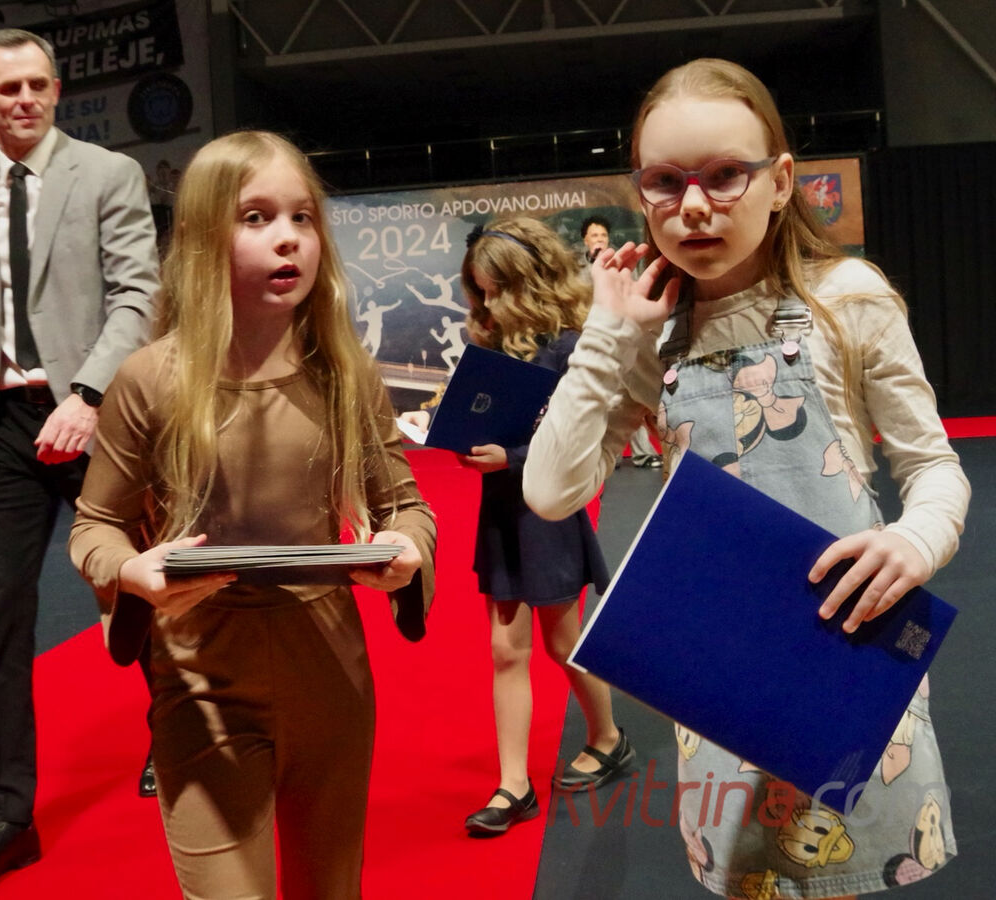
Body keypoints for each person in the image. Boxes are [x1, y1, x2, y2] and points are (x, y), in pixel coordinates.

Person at [524, 58, 967, 899]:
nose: (693, 205)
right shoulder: (649, 334)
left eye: (726, 175)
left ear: (781, 181)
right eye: (665, 181)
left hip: (847, 650)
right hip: (722, 673)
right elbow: (550, 490)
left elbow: (933, 465)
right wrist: (607, 333)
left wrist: (916, 539)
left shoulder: (848, 298)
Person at [68, 130, 437, 899]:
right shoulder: (149, 380)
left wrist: (407, 550)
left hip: (332, 678)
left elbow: (405, 505)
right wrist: (131, 572)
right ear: (205, 237)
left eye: (303, 217)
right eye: (256, 217)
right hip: (201, 683)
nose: (288, 238)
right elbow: (94, 525)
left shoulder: (345, 375)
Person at [0, 28, 160, 884]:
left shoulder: (108, 174)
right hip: (1, 431)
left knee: (142, 589)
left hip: (95, 419)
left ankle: (174, 732)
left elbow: (137, 294)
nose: (26, 98)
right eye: (9, 88)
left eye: (39, 84)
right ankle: (10, 817)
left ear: (58, 90)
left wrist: (89, 395)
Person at [408, 217, 634, 838]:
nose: (485, 303)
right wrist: (449, 431)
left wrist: (507, 457)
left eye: (494, 289)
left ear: (526, 280)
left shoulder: (571, 347)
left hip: (548, 513)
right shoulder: (493, 342)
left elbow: (578, 442)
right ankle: (514, 786)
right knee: (505, 651)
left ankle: (608, 738)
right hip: (502, 513)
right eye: (478, 291)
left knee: (563, 646)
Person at [581, 214, 662, 468]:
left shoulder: (625, 265)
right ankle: (606, 457)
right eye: (594, 235)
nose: (599, 239)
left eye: (603, 235)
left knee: (635, 392)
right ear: (585, 240)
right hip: (592, 336)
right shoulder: (579, 271)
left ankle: (643, 453)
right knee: (609, 402)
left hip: (625, 336)